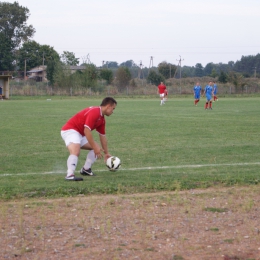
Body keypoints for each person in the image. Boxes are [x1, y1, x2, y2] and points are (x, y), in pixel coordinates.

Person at [61, 97, 117, 181]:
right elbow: (87, 130)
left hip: (79, 133)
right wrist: (94, 147)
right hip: (70, 130)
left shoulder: (101, 119)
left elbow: (102, 137)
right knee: (76, 150)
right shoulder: (95, 112)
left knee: (97, 147)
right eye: (113, 109)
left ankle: (86, 169)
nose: (113, 111)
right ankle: (70, 174)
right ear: (108, 106)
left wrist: (106, 153)